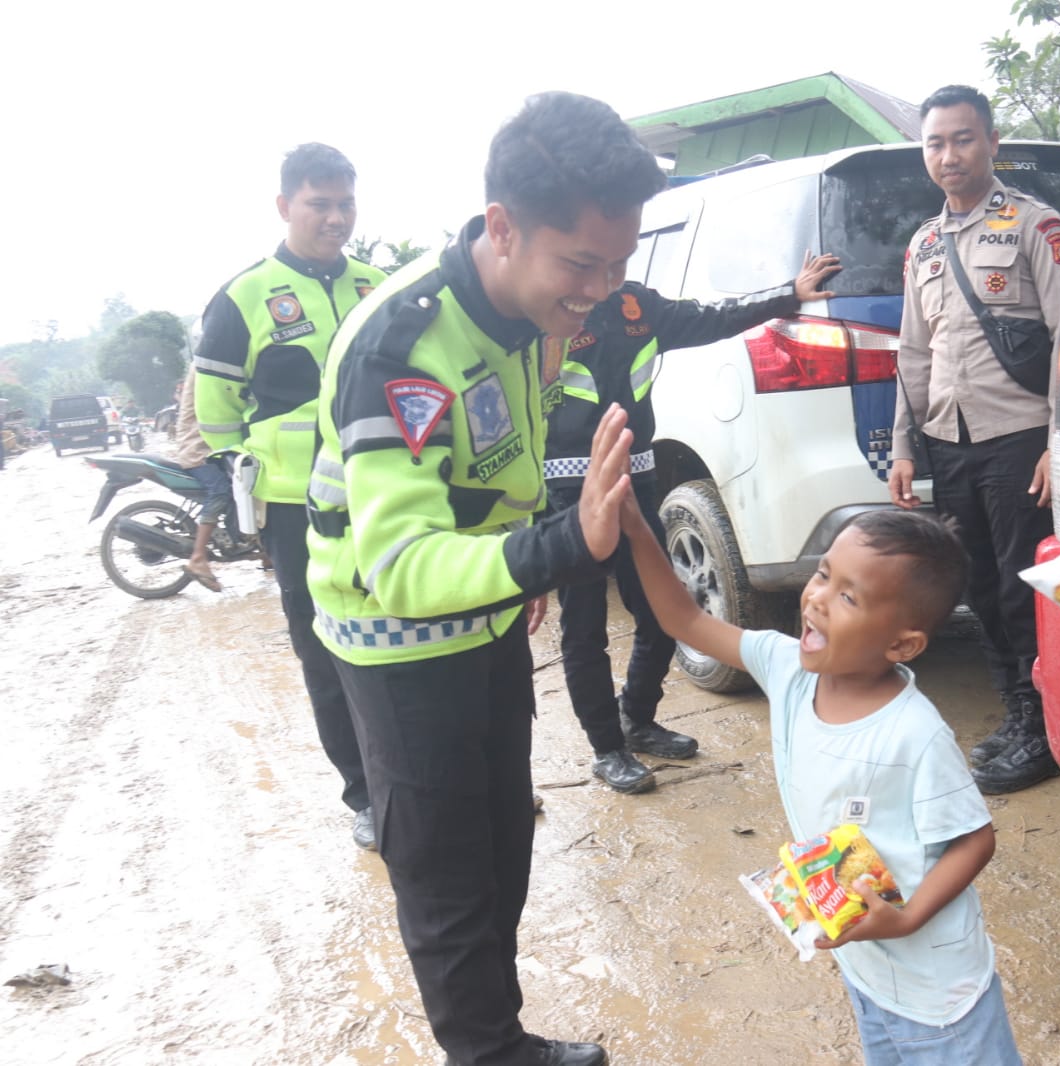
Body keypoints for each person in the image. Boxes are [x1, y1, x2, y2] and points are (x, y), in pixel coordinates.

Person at [302, 92, 667, 1066]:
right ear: (501, 227)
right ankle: (486, 1052)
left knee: (505, 838)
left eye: (617, 264)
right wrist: (558, 545)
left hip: (487, 614)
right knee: (445, 870)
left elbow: (494, 459)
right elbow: (400, 564)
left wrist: (515, 561)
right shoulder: (401, 345)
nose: (599, 291)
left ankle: (501, 1038)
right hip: (396, 643)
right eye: (581, 264)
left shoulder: (527, 312)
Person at [622, 500, 1022, 1064]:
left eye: (849, 597)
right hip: (865, 965)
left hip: (938, 994)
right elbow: (684, 621)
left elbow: (974, 839)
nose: (817, 599)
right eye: (824, 574)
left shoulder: (913, 735)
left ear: (902, 645)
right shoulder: (786, 667)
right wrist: (636, 529)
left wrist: (907, 919)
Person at [539, 252, 841, 793]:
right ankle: (607, 748)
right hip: (569, 491)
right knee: (584, 628)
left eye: (617, 256)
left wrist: (789, 294)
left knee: (663, 611)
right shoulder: (547, 309)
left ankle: (637, 718)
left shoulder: (639, 306)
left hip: (637, 482)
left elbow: (713, 317)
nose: (608, 268)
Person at [888, 84, 1060, 794]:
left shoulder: (1035, 224)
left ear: (992, 143)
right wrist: (903, 445)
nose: (949, 155)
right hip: (949, 440)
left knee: (1019, 583)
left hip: (1019, 437)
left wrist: (1057, 441)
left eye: (963, 139)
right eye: (935, 143)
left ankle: (1045, 723)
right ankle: (1016, 709)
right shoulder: (923, 244)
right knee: (975, 583)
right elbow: (914, 352)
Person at [194, 142, 386, 849]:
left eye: (346, 205)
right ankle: (365, 793)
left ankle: (422, 775)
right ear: (284, 206)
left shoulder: (378, 287)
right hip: (295, 511)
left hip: (385, 496)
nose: (336, 218)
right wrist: (247, 482)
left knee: (409, 626)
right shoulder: (244, 298)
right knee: (324, 647)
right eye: (319, 204)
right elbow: (216, 412)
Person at [170, 365, 232, 592]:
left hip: (211, 448)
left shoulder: (208, 364)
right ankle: (198, 557)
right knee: (221, 490)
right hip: (197, 450)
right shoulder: (206, 367)